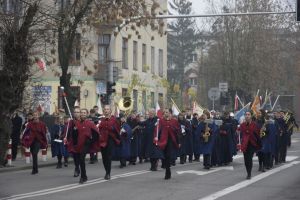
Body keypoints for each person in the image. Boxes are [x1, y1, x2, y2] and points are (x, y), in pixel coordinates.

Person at [74, 108, 100, 184]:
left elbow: (96, 133)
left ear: (87, 114)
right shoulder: (77, 123)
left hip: (86, 144)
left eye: (84, 113)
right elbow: (74, 135)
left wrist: (90, 141)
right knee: (80, 160)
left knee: (82, 159)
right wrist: (75, 130)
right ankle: (84, 176)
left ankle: (83, 176)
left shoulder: (90, 123)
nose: (82, 114)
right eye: (81, 113)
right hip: (79, 144)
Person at [155, 108, 181, 180]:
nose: (165, 113)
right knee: (164, 156)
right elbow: (158, 131)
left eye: (167, 112)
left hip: (171, 141)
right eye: (164, 112)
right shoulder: (161, 121)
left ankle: (167, 171)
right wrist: (156, 138)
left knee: (168, 155)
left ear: (170, 113)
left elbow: (178, 133)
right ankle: (167, 168)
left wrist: (179, 142)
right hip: (163, 141)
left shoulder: (174, 121)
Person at [98, 105, 121, 180]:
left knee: (108, 156)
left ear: (110, 111)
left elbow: (118, 129)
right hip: (102, 140)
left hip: (110, 139)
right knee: (104, 157)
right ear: (103, 111)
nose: (106, 110)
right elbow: (99, 129)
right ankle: (106, 171)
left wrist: (113, 129)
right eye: (105, 109)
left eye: (108, 109)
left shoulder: (114, 119)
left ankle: (108, 173)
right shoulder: (101, 120)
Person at [240, 111, 261, 179]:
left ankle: (249, 173)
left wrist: (259, 143)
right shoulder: (242, 125)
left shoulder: (255, 124)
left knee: (249, 158)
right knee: (246, 160)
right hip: (244, 144)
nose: (247, 116)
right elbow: (241, 134)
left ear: (251, 116)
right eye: (246, 114)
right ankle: (248, 171)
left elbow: (257, 134)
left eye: (248, 115)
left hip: (251, 143)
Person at [64, 106, 81, 177]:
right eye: (75, 112)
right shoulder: (71, 122)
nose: (76, 114)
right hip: (73, 142)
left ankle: (81, 171)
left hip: (81, 142)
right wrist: (65, 138)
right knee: (75, 157)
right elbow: (67, 131)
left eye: (78, 112)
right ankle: (77, 168)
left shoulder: (83, 121)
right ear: (73, 113)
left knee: (80, 157)